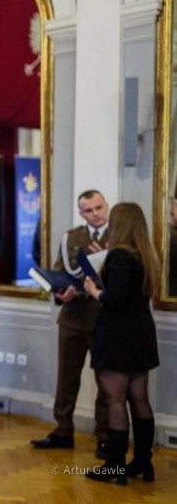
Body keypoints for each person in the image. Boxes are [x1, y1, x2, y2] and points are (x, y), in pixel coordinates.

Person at [82, 202, 160, 485]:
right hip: (141, 333)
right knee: (139, 399)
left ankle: (114, 465)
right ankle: (142, 462)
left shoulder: (118, 256)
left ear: (120, 224)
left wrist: (93, 290)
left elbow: (114, 299)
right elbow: (130, 295)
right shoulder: (146, 254)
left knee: (115, 400)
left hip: (117, 335)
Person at [30, 189, 110, 458]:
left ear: (106, 206)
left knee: (107, 384)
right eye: (89, 210)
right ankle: (63, 430)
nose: (95, 214)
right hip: (73, 316)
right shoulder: (72, 237)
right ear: (81, 213)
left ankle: (105, 437)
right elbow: (58, 272)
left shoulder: (120, 235)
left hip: (105, 319)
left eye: (99, 208)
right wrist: (59, 291)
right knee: (66, 378)